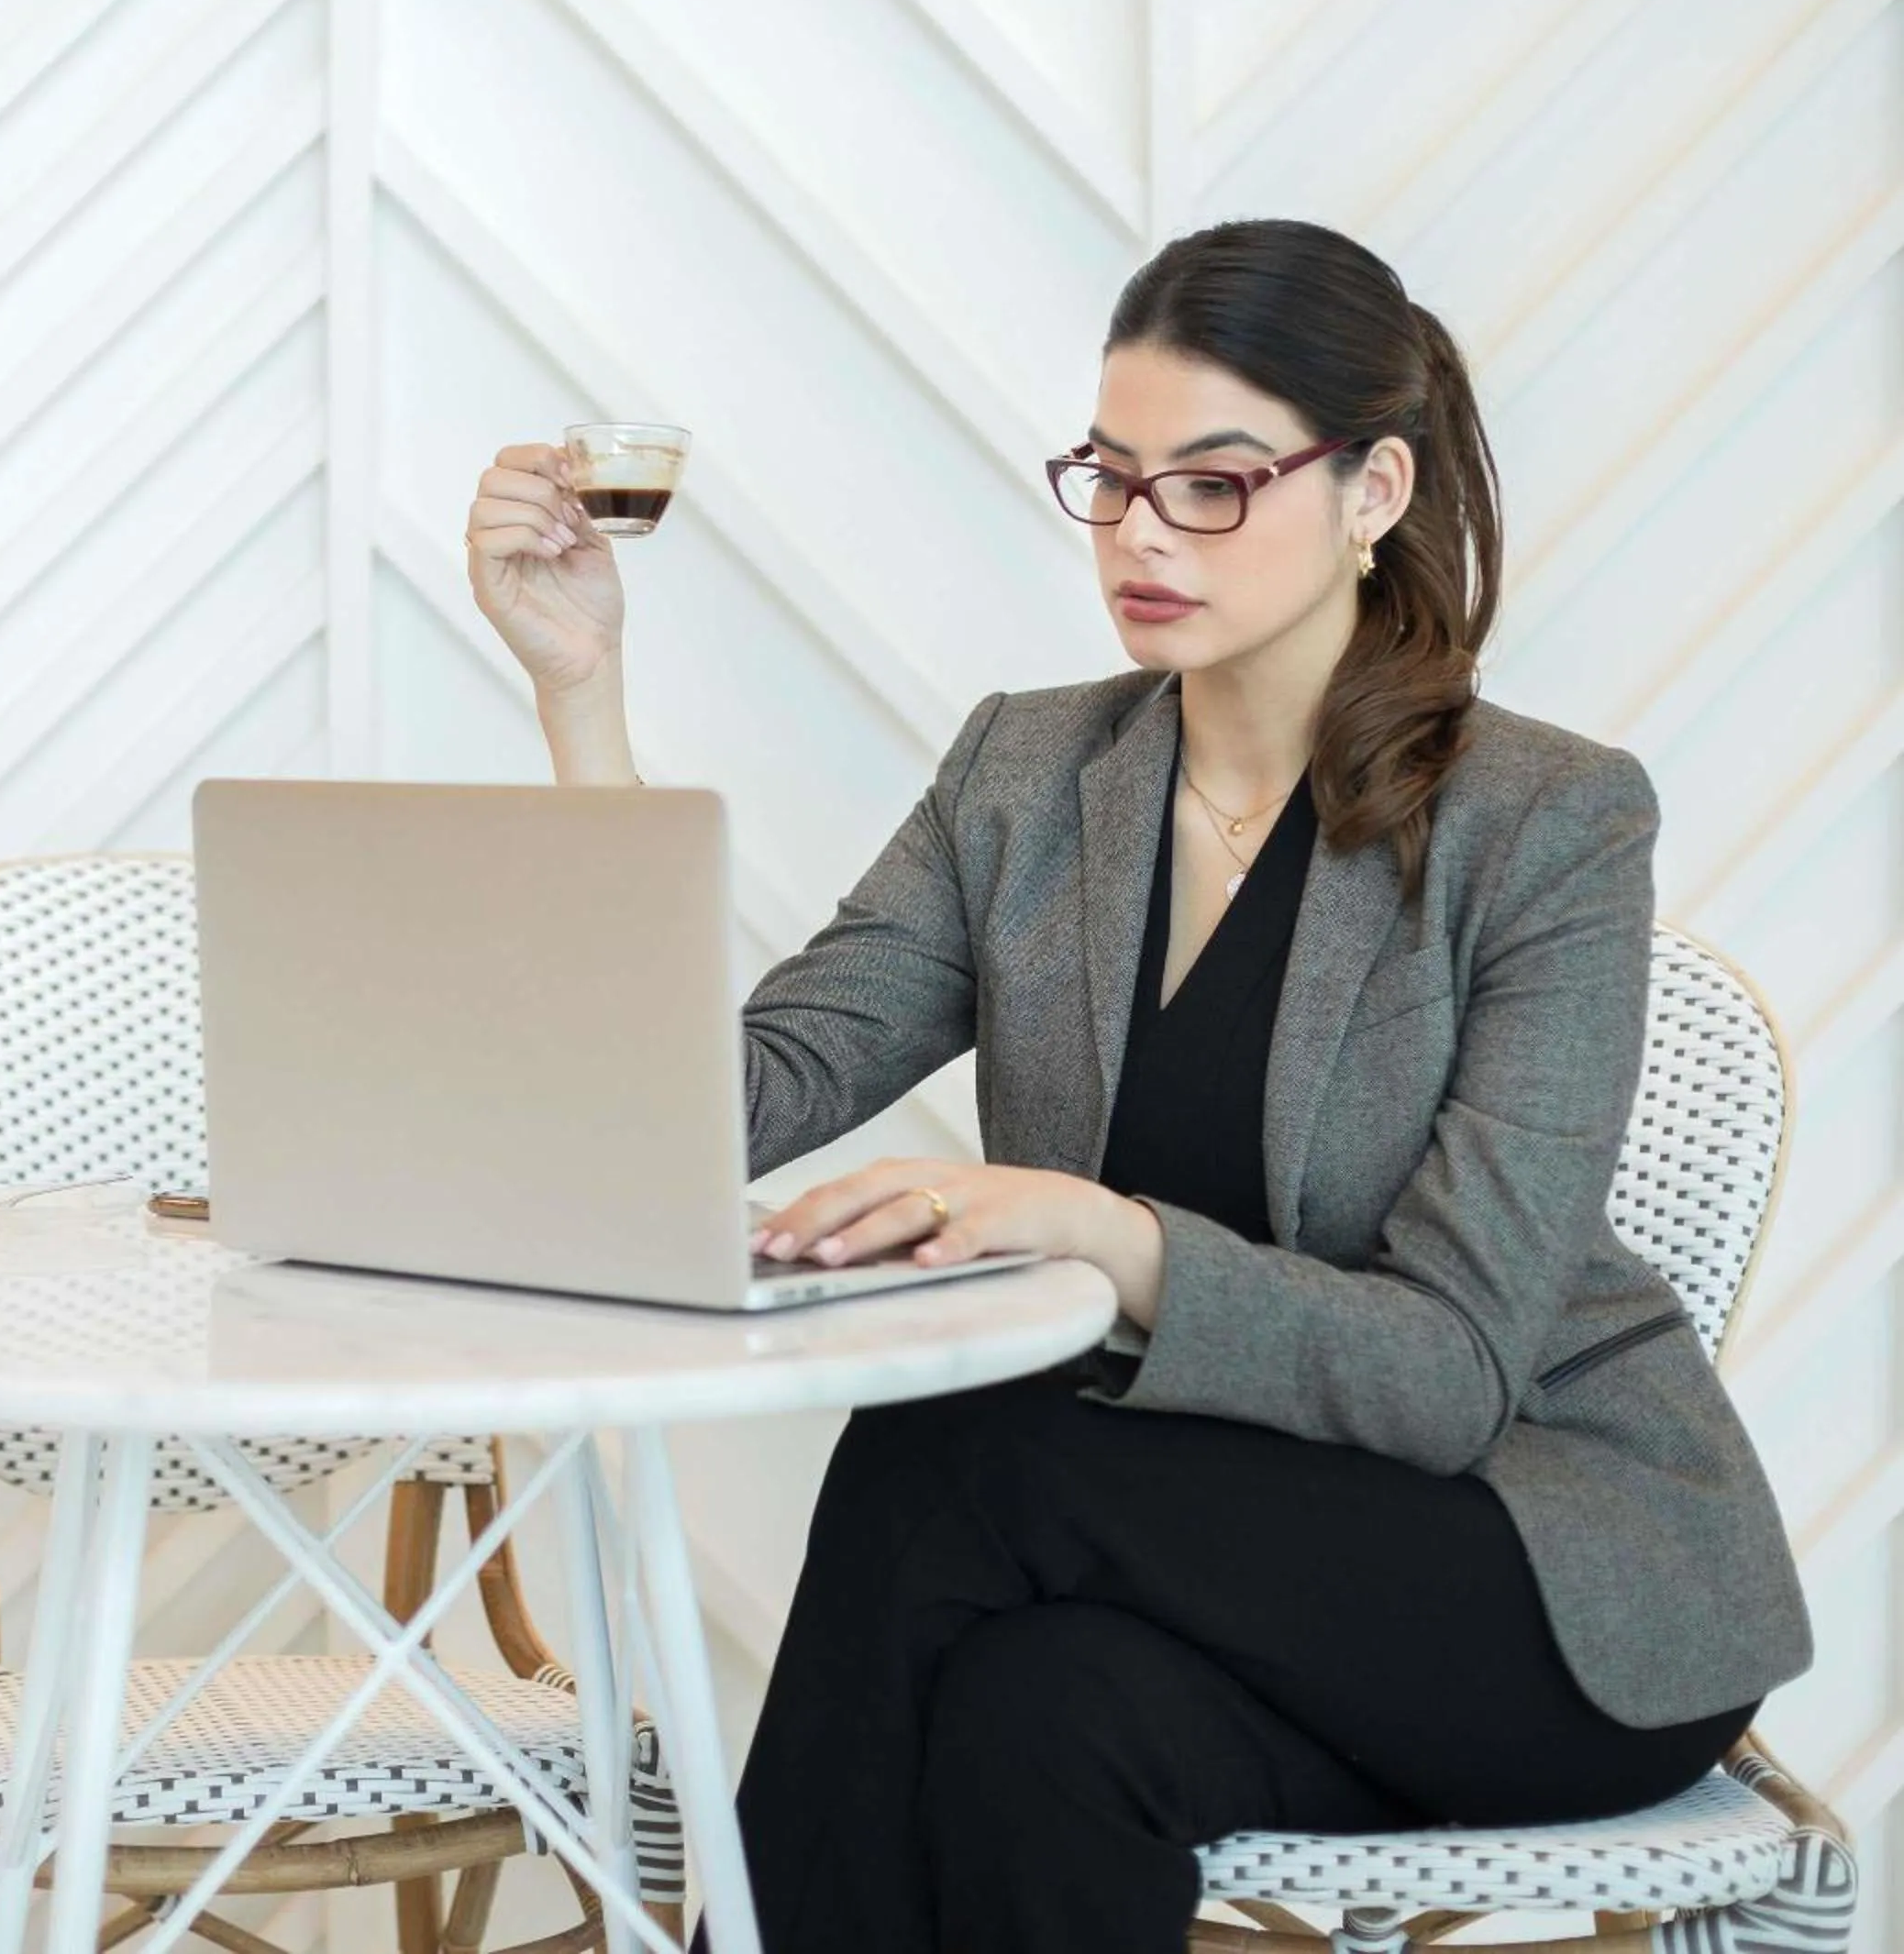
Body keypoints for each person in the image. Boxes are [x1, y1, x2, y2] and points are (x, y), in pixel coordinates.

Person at [458, 217, 1810, 1952]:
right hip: (1175, 1563)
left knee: (960, 1454)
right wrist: (583, 702)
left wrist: (1103, 1233)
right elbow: (732, 1091)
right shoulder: (1030, 773)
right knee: (1038, 1724)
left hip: (1535, 1575)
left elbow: (1450, 1371)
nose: (1143, 534)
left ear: (1375, 488)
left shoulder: (1545, 821)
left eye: (1214, 484)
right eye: (1110, 477)